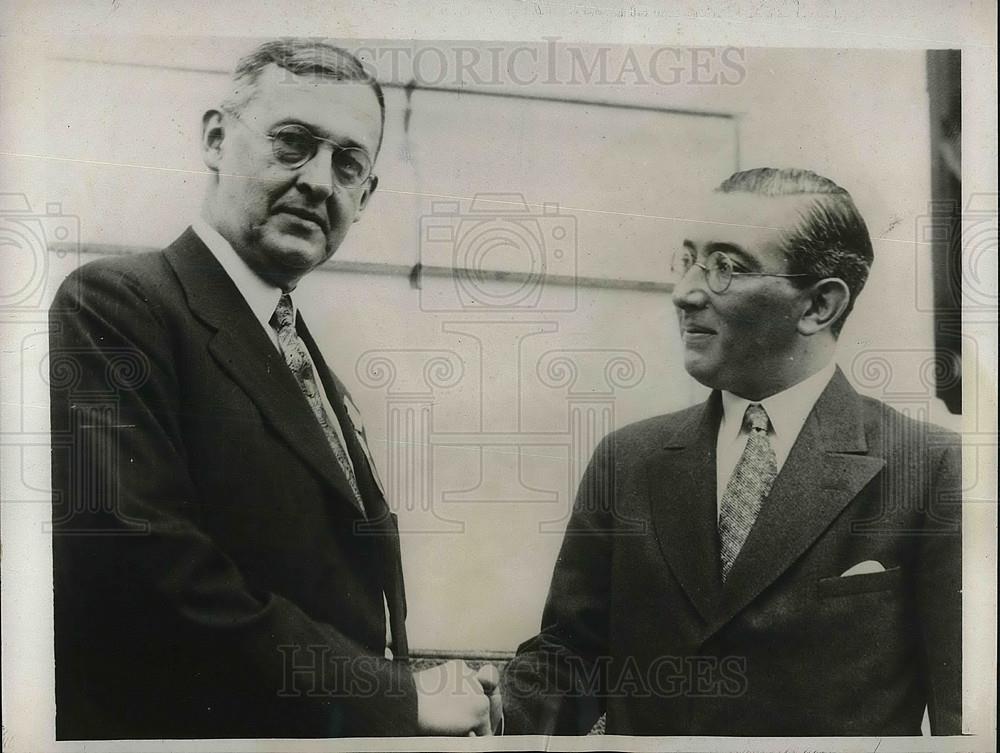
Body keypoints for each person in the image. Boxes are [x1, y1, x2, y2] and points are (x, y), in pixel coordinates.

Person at [49, 39, 498, 739]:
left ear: (367, 194)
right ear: (216, 138)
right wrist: (393, 697)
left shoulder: (310, 365)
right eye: (293, 143)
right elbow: (148, 571)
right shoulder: (116, 307)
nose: (320, 181)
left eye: (348, 164)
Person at [501, 168, 962, 736]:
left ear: (819, 306)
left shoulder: (933, 468)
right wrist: (477, 709)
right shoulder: (627, 460)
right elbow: (570, 659)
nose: (685, 292)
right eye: (688, 260)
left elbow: (962, 718)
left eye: (726, 267)